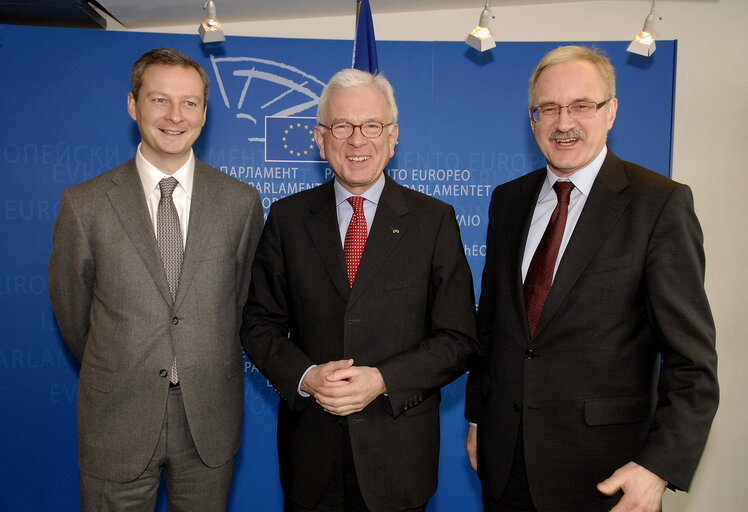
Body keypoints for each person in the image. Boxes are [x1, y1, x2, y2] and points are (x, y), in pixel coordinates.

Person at [464, 45, 719, 512]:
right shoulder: (508, 201)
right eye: (549, 108)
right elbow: (495, 326)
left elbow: (692, 363)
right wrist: (479, 419)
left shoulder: (659, 204)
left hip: (608, 475)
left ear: (611, 112)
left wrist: (659, 466)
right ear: (532, 116)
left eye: (582, 105)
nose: (564, 123)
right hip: (505, 466)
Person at [241, 68, 479, 512]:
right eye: (341, 126)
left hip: (398, 458)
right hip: (311, 456)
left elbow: (459, 339)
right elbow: (258, 324)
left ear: (392, 137)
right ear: (319, 137)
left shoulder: (433, 221)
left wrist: (383, 380)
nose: (356, 140)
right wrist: (306, 377)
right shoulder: (288, 220)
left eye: (371, 125)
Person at [48, 48, 263, 511]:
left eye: (189, 103)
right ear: (133, 105)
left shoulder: (241, 203)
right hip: (117, 416)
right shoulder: (84, 205)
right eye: (159, 99)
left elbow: (242, 301)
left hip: (209, 417)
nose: (174, 116)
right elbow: (73, 313)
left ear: (205, 112)